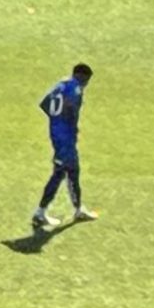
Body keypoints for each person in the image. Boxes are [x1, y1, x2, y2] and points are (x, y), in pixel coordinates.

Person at [31, 63, 97, 231]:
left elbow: (45, 104)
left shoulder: (61, 85)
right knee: (60, 172)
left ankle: (78, 209)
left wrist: (56, 122)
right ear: (83, 76)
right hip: (65, 140)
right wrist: (70, 127)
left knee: (72, 171)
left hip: (57, 135)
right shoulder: (75, 89)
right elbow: (72, 109)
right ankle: (40, 213)